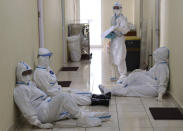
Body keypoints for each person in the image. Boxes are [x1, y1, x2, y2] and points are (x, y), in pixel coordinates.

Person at [14, 62, 111, 129]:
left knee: (71, 110)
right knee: (64, 97)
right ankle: (82, 118)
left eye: (28, 72)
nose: (27, 75)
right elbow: (26, 109)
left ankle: (103, 116)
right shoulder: (20, 90)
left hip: (47, 106)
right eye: (24, 73)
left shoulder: (30, 84)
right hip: (42, 113)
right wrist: (38, 123)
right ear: (19, 74)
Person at [34, 48, 111, 106]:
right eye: (48, 58)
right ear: (43, 59)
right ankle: (99, 101)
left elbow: (54, 82)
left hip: (58, 90)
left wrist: (61, 90)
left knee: (74, 91)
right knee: (73, 97)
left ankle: (100, 96)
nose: (49, 60)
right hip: (53, 96)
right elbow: (49, 91)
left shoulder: (47, 68)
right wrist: (61, 92)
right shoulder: (39, 74)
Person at [99, 47, 170, 102]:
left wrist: (160, 95)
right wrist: (141, 71)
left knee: (131, 89)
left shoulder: (163, 68)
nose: (155, 56)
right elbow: (150, 73)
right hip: (151, 83)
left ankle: (109, 91)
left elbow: (163, 83)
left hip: (154, 89)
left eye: (156, 55)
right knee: (135, 77)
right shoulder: (158, 64)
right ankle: (119, 86)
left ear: (161, 56)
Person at [110, 2, 130, 83]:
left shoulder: (123, 18)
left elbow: (126, 30)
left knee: (120, 56)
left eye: (117, 8)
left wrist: (118, 29)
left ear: (120, 8)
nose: (116, 9)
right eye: (114, 8)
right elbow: (111, 27)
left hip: (120, 38)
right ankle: (118, 75)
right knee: (114, 55)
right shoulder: (112, 17)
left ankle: (123, 74)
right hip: (114, 39)